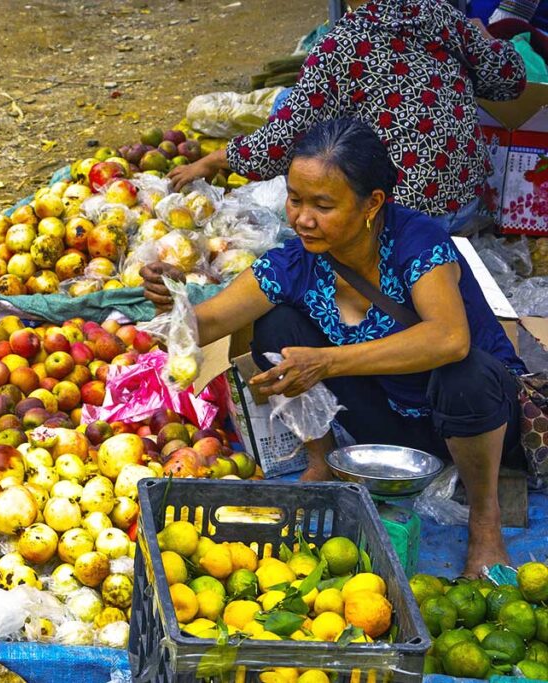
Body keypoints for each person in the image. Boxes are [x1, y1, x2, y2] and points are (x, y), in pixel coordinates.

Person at [144, 119, 526, 576]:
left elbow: (449, 337)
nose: (303, 218)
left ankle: (486, 523)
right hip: (385, 423)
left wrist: (327, 361)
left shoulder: (417, 241)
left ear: (373, 204)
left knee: (466, 372)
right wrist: (176, 301)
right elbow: (206, 325)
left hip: (478, 418)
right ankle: (321, 462)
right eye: (295, 199)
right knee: (276, 323)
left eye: (323, 205)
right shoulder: (296, 262)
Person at [170, 0, 527, 234]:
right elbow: (511, 80)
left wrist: (215, 159)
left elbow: (279, 145)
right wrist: (488, 43)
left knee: (291, 110)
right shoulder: (445, 17)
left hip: (400, 220)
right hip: (467, 204)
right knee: (303, 105)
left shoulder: (341, 44)